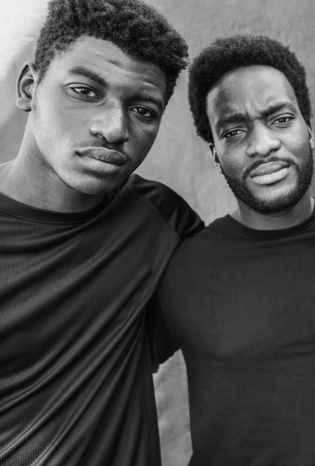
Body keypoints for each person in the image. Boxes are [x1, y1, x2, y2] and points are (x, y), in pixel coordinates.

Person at [156, 35, 315, 465]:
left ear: (308, 130)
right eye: (234, 131)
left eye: (279, 119)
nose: (261, 145)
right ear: (216, 154)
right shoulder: (180, 266)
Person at [0, 0, 201, 465]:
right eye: (85, 91)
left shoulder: (162, 224)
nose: (114, 128)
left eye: (143, 110)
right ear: (30, 86)